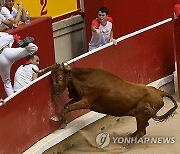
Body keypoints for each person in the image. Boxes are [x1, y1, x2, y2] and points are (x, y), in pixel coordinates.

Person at [0, 32, 38, 96]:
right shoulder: (2, 34)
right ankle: (27, 44)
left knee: (7, 82)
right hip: (8, 52)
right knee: (34, 48)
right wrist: (19, 40)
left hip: (1, 59)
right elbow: (15, 37)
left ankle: (12, 100)